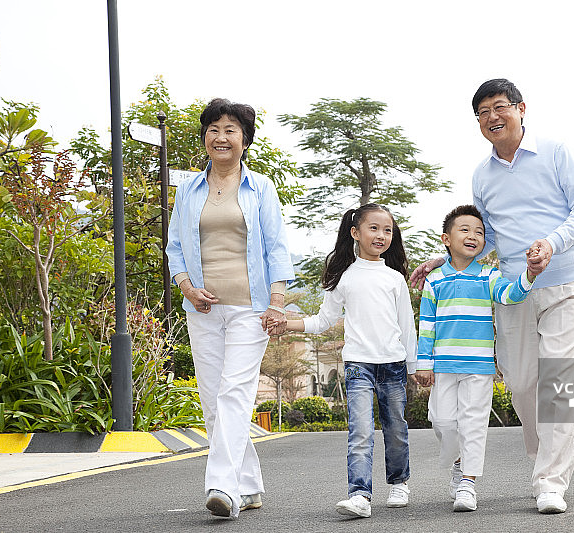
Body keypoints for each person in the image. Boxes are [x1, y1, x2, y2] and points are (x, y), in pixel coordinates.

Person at [410, 79, 574, 514]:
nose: (492, 117)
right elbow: (487, 235)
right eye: (483, 112)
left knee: (562, 378)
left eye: (500, 107)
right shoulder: (482, 174)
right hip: (513, 286)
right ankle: (544, 455)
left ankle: (551, 480)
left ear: (521, 109)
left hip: (569, 278)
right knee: (519, 381)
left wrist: (552, 243)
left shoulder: (555, 152)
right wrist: (446, 261)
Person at [166, 98, 294, 519]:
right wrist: (187, 287)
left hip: (250, 308)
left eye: (231, 130)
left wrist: (276, 302)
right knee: (212, 400)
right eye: (214, 129)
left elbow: (276, 247)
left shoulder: (261, 189)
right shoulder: (187, 189)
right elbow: (176, 248)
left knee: (234, 393)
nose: (221, 137)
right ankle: (250, 484)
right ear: (205, 137)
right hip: (202, 308)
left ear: (245, 140)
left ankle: (222, 486)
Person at [270, 203, 416, 519]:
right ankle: (360, 495)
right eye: (373, 228)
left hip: (393, 365)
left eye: (387, 230)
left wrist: (414, 367)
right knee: (360, 431)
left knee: (396, 430)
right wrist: (287, 323)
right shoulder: (344, 277)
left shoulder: (395, 279)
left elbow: (407, 327)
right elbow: (323, 320)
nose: (381, 235)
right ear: (355, 232)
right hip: (358, 366)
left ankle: (399, 482)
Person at [415, 205, 540, 513]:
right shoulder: (434, 281)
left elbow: (511, 295)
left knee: (473, 424)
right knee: (442, 421)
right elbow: (427, 324)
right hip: (443, 367)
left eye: (480, 232)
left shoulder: (488, 275)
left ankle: (468, 483)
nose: (473, 236)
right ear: (446, 238)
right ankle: (458, 464)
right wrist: (423, 363)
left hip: (479, 366)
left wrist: (529, 275)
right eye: (465, 230)